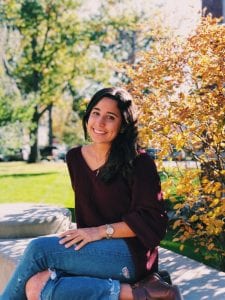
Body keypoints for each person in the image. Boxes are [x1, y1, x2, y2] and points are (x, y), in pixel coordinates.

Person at [0, 87, 182, 300]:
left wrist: (99, 231)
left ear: (123, 125)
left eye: (110, 117)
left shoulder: (140, 163)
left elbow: (152, 221)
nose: (99, 122)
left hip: (132, 254)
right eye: (95, 113)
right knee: (35, 287)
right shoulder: (75, 158)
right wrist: (89, 236)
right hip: (91, 249)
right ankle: (141, 293)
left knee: (39, 249)